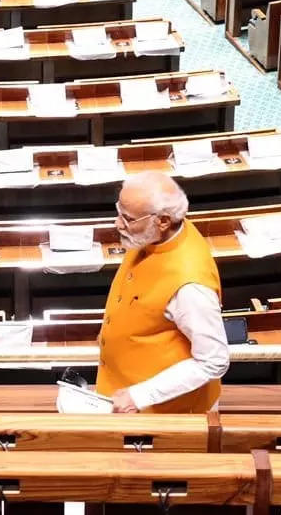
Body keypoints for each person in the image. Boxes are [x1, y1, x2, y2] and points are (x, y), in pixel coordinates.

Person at [95, 171, 229, 413]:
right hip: (119, 390)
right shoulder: (153, 235)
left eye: (127, 218)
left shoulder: (191, 286)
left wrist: (140, 395)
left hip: (162, 412)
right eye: (119, 212)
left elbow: (214, 361)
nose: (117, 224)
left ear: (163, 221)